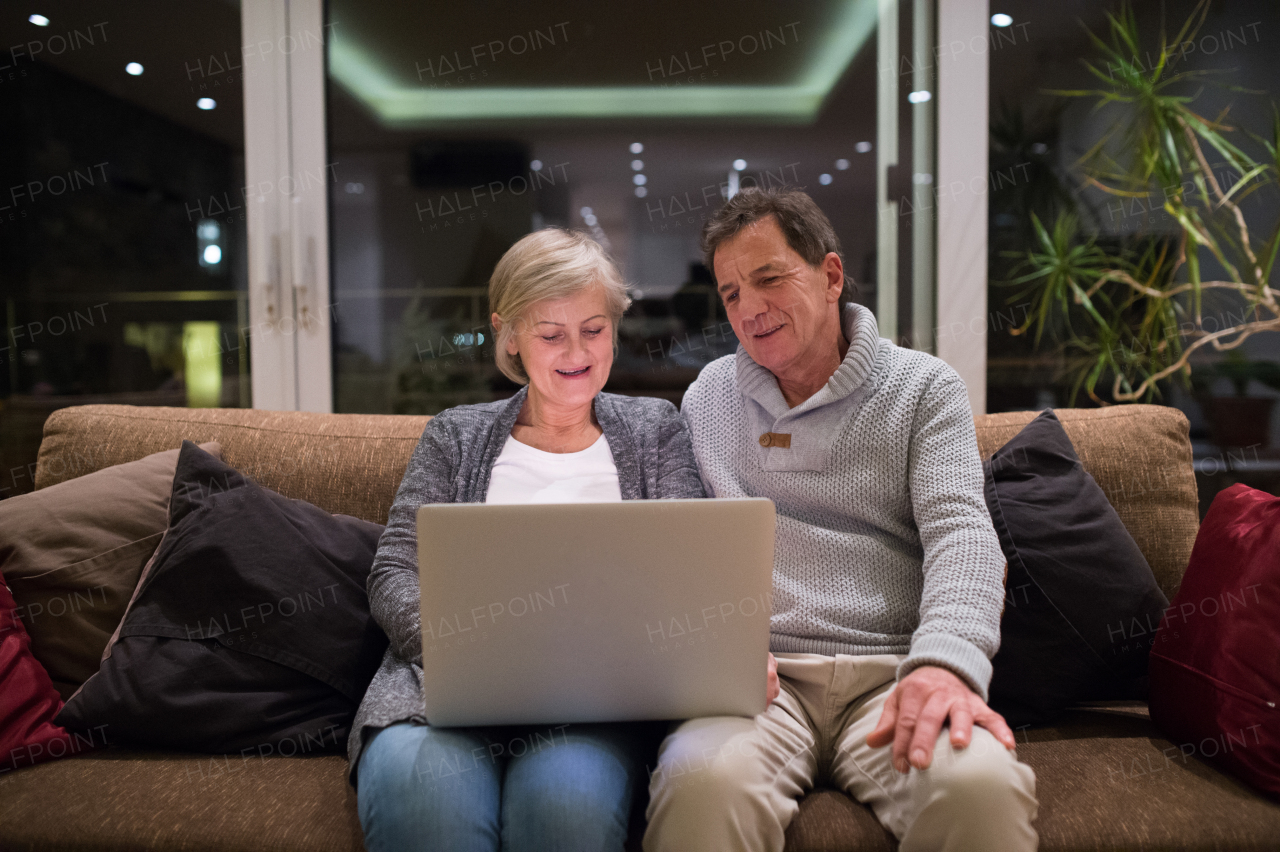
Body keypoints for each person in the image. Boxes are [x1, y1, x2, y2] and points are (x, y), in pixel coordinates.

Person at [644, 187, 1038, 852]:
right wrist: (711, 650)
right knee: (700, 782)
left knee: (979, 788)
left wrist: (945, 666)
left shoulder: (924, 387)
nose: (749, 308)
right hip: (757, 683)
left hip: (892, 672)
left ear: (830, 276)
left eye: (769, 278)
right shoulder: (707, 395)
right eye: (732, 293)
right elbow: (680, 551)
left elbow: (963, 538)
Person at [350, 228, 705, 852]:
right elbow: (394, 571)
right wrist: (460, 653)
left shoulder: (656, 430)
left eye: (594, 329)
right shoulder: (454, 436)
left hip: (594, 708)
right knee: (423, 797)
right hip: (440, 695)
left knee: (563, 806)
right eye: (550, 334)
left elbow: (692, 572)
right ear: (509, 334)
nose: (577, 350)